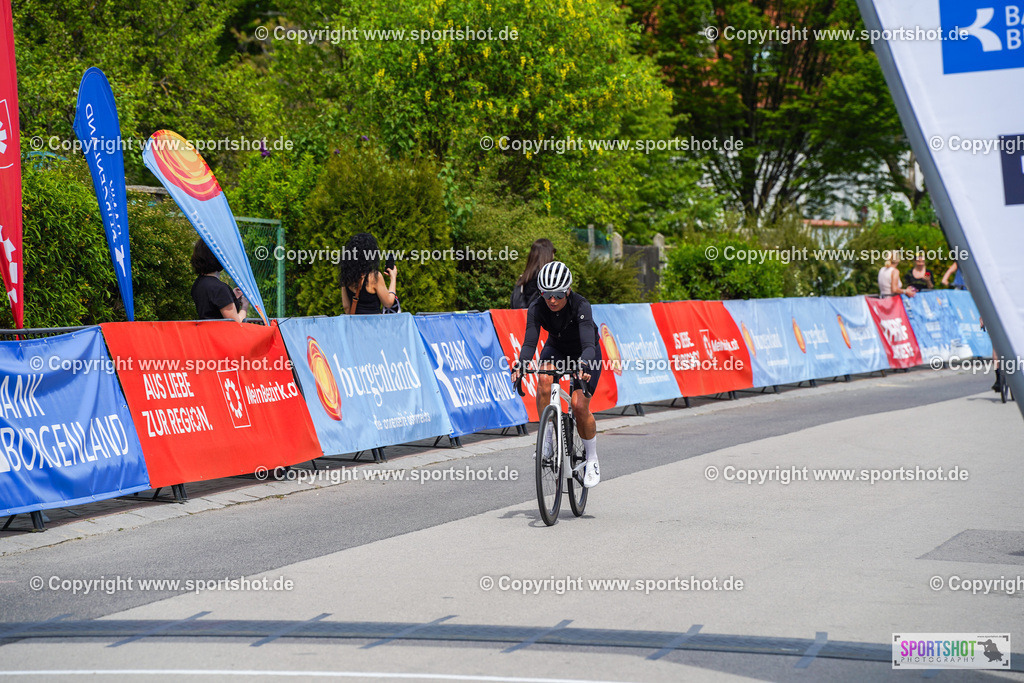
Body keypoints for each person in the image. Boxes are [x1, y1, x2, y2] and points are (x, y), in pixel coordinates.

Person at [510, 261, 603, 487]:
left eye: (558, 294)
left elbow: (589, 345)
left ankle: (592, 459)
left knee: (580, 406)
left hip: (585, 352)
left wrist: (582, 364)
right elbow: (530, 343)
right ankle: (548, 437)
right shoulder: (537, 306)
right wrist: (521, 365)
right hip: (557, 348)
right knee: (543, 379)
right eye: (547, 294)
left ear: (568, 290)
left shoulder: (581, 305)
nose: (552, 300)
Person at [339, 232, 398, 315]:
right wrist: (393, 278)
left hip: (356, 325)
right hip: (374, 325)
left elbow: (347, 307)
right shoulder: (374, 276)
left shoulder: (346, 275)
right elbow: (388, 303)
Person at [190, 239, 248, 322]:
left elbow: (212, 308)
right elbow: (236, 323)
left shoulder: (198, 283)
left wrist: (232, 297)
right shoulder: (220, 288)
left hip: (206, 333)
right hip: (220, 334)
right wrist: (244, 307)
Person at [511, 238, 556, 309]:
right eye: (553, 251)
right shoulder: (547, 278)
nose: (553, 254)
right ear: (547, 253)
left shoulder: (524, 277)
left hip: (524, 318)